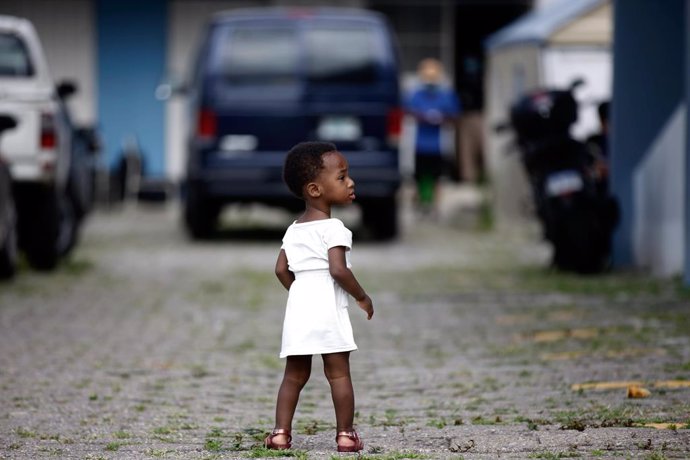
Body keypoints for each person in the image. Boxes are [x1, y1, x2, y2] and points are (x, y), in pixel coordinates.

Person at [265, 141, 374, 453]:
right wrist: (362, 296)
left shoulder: (294, 229)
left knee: (294, 376)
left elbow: (280, 269)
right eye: (341, 177)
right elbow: (338, 270)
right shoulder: (334, 227)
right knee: (338, 375)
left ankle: (281, 433)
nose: (350, 182)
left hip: (299, 309)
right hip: (328, 308)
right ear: (314, 189)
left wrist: (300, 293)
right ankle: (345, 435)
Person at [405, 58, 461, 214]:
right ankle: (419, 204)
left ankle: (435, 206)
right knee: (418, 177)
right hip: (419, 143)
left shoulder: (445, 95)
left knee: (437, 177)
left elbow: (454, 115)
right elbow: (409, 111)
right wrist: (424, 117)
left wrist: (440, 118)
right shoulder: (416, 94)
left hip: (438, 144)